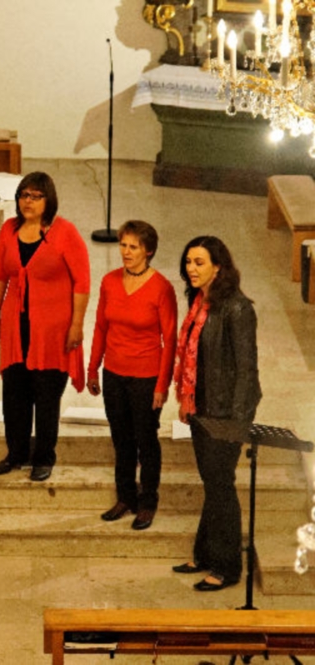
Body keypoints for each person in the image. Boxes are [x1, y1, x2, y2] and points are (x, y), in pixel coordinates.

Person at [171, 236, 260, 592]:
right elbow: (192, 357)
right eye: (188, 262)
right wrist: (187, 399)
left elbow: (247, 371)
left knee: (221, 485)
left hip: (226, 414)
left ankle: (227, 567)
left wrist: (236, 424)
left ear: (218, 267)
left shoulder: (238, 308)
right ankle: (205, 554)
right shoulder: (198, 300)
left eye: (199, 263)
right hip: (201, 408)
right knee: (213, 483)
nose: (191, 269)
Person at [0, 171, 90, 481]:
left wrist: (77, 324)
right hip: (15, 326)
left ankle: (44, 457)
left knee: (46, 395)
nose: (28, 201)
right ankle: (16, 453)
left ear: (49, 200)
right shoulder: (9, 229)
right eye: (24, 195)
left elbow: (82, 283)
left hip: (52, 330)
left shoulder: (65, 232)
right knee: (14, 392)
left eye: (35, 196)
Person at [87, 220, 177, 531]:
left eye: (133, 247)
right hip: (114, 373)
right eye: (123, 245)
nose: (126, 251)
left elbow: (170, 340)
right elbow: (101, 327)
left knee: (146, 440)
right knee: (121, 438)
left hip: (146, 376)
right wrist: (93, 368)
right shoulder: (109, 281)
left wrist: (162, 385)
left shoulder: (161, 288)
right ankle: (125, 497)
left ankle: (148, 502)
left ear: (148, 251)